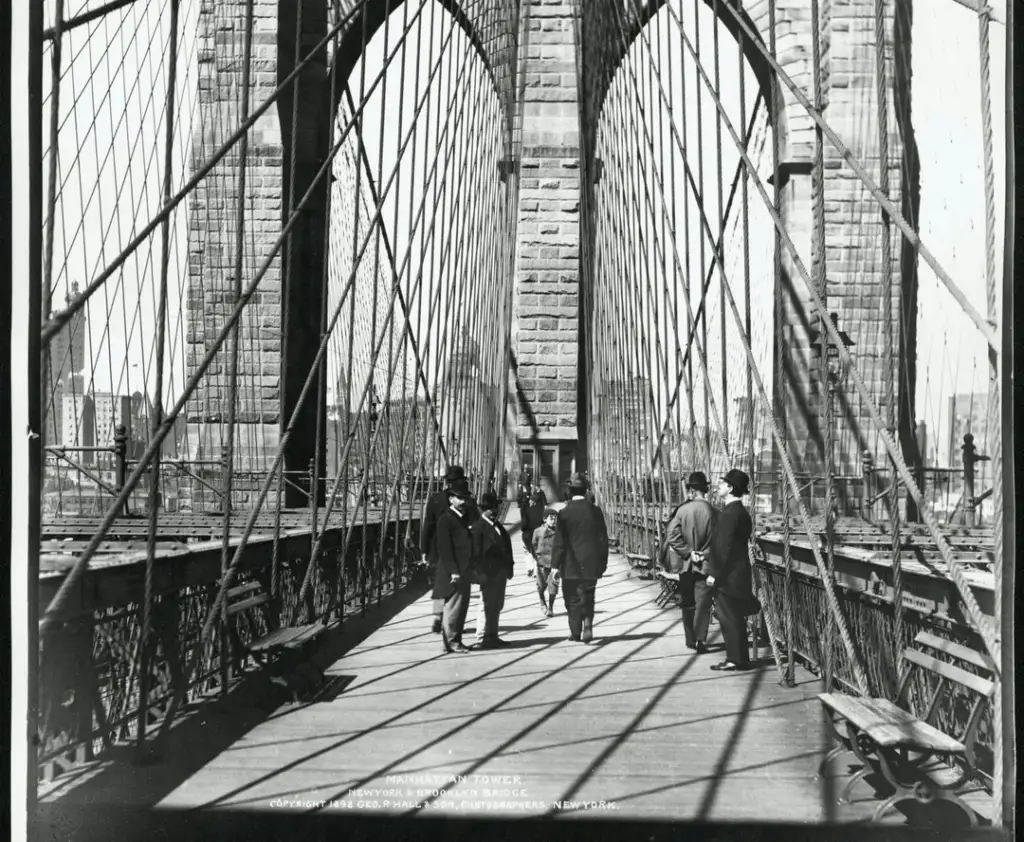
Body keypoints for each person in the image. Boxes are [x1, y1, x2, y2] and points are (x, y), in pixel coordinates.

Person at [551, 472, 609, 644]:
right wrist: (603, 562)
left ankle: (575, 632)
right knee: (589, 595)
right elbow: (603, 540)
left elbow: (559, 542)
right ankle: (588, 622)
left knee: (572, 598)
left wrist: (555, 566)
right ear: (586, 491)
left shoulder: (564, 513)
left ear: (570, 492)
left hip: (570, 565)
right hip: (591, 563)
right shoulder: (596, 512)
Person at [707, 468, 755, 671]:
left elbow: (723, 548)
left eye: (723, 484)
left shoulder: (728, 514)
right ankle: (739, 657)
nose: (719, 487)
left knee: (728, 617)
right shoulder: (742, 513)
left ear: (730, 488)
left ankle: (735, 659)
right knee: (735, 616)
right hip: (740, 572)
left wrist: (713, 574)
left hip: (727, 576)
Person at [665, 471, 717, 654]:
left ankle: (689, 639)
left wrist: (688, 552)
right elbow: (719, 542)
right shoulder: (714, 512)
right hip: (705, 564)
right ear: (706, 490)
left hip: (686, 564)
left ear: (692, 490)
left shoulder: (682, 510)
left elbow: (671, 535)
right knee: (703, 603)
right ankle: (700, 640)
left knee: (688, 601)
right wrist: (703, 554)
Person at [422, 466, 476, 633]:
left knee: (441, 583)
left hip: (438, 549)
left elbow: (428, 527)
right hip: (459, 550)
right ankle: (450, 620)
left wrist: (424, 550)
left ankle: (439, 616)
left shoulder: (436, 500)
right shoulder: (468, 501)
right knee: (456, 585)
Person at [435, 486, 477, 654]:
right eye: (459, 498)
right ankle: (451, 643)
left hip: (464, 570)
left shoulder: (462, 518)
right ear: (451, 499)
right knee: (453, 608)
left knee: (461, 608)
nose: (463, 501)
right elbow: (445, 549)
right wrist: (453, 571)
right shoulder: (446, 519)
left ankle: (456, 641)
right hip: (454, 572)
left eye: (465, 498)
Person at [470, 491, 515, 648]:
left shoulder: (498, 527)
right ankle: (482, 636)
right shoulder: (478, 528)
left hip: (499, 574)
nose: (495, 511)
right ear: (485, 510)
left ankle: (493, 635)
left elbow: (506, 547)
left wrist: (509, 567)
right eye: (492, 509)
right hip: (487, 574)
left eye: (496, 508)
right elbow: (475, 554)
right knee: (485, 604)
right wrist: (479, 574)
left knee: (497, 604)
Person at [531, 508, 560, 617]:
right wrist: (537, 556)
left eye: (555, 519)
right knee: (541, 586)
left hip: (554, 564)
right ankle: (542, 601)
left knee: (553, 587)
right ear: (544, 519)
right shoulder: (538, 531)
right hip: (542, 563)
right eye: (551, 518)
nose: (554, 521)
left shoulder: (559, 532)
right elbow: (533, 544)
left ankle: (550, 608)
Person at [520, 485, 547, 562]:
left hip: (529, 533)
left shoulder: (531, 510)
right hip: (530, 532)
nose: (530, 502)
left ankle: (532, 568)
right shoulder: (537, 509)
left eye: (531, 501)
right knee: (532, 551)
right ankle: (532, 568)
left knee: (530, 551)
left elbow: (523, 506)